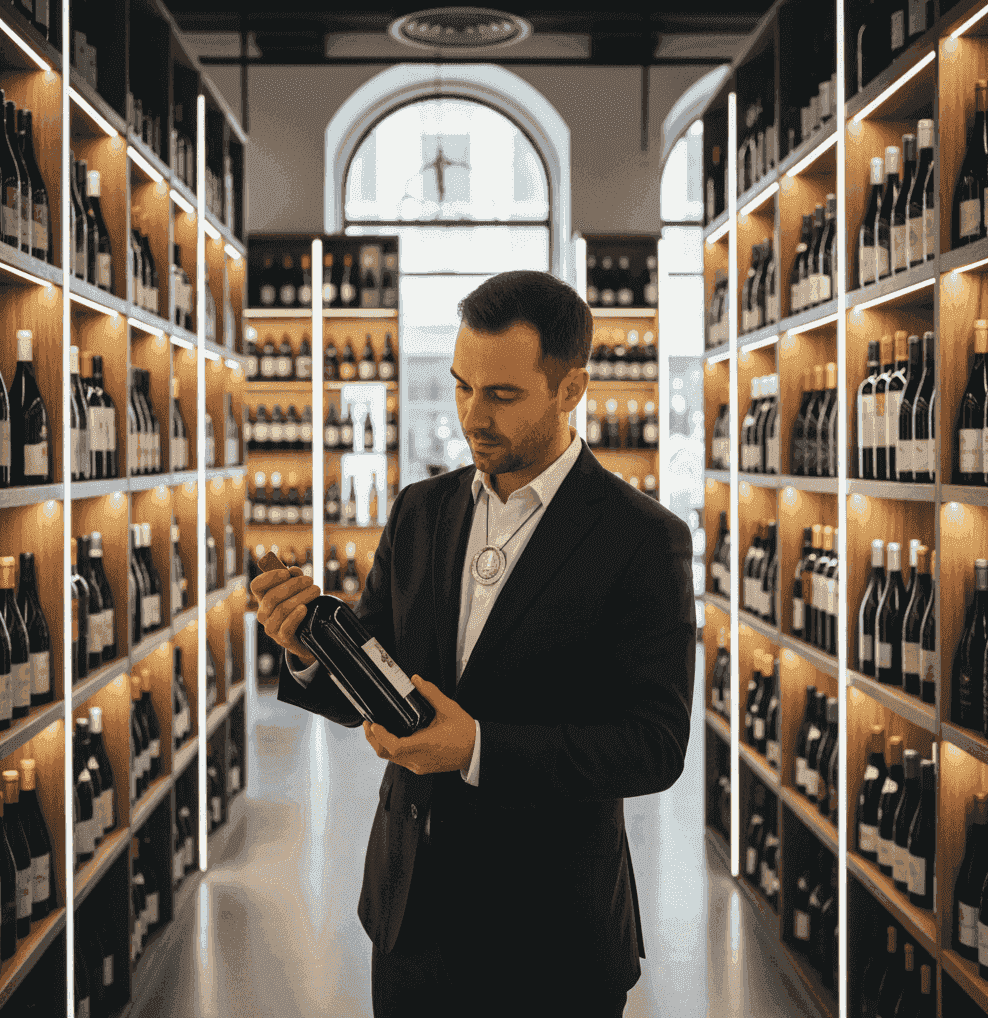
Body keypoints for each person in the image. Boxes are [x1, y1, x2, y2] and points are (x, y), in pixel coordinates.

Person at [250, 269, 696, 1018]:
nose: (471, 416)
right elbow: (377, 678)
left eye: (501, 395)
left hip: (553, 937)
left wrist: (478, 747)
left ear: (571, 388)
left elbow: (654, 746)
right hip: (410, 915)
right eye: (462, 386)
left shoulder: (644, 540)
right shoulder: (420, 511)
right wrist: (306, 646)